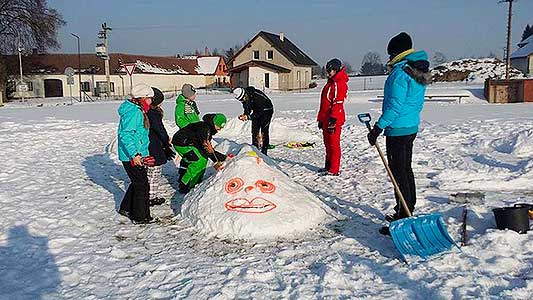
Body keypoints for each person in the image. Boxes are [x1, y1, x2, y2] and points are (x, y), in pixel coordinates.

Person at [366, 32, 431, 235]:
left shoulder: (401, 73)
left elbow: (394, 106)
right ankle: (406, 208)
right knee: (405, 170)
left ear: (396, 52)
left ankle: (403, 217)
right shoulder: (416, 68)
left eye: (390, 53)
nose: (389, 58)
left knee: (398, 173)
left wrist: (378, 127)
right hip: (410, 126)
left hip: (398, 130)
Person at [117, 83, 157, 224]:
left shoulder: (138, 110)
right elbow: (126, 135)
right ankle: (140, 217)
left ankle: (126, 208)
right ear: (142, 98)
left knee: (137, 182)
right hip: (132, 156)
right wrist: (135, 155)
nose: (151, 101)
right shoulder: (134, 112)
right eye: (149, 98)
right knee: (142, 185)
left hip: (139, 154)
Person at [172, 113, 228, 194]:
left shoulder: (208, 128)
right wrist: (222, 158)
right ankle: (185, 185)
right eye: (219, 126)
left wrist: (217, 157)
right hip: (182, 143)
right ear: (215, 123)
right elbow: (206, 148)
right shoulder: (205, 129)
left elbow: (206, 146)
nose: (220, 129)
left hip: (189, 142)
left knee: (203, 158)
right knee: (199, 161)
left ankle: (196, 182)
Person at [317, 58, 349, 176]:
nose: (328, 73)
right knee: (327, 143)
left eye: (330, 70)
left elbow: (338, 103)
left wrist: (333, 120)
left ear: (336, 70)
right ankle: (328, 166)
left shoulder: (338, 83)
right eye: (327, 70)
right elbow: (324, 104)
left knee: (333, 144)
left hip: (334, 119)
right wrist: (321, 119)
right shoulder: (330, 83)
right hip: (326, 118)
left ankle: (334, 169)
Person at [146, 87, 175, 207]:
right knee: (155, 172)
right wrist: (166, 140)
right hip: (154, 145)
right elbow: (159, 129)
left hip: (148, 144)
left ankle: (148, 195)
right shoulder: (153, 114)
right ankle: (151, 197)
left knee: (149, 171)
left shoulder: (146, 111)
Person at [233, 86, 274, 155]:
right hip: (257, 111)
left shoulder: (257, 96)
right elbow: (247, 107)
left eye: (243, 99)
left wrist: (248, 117)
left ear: (245, 94)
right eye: (241, 100)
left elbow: (259, 112)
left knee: (264, 131)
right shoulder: (244, 98)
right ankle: (255, 148)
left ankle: (264, 150)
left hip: (267, 110)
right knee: (254, 130)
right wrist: (245, 114)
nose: (242, 101)